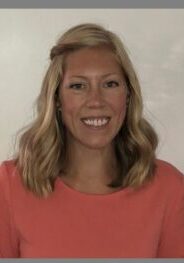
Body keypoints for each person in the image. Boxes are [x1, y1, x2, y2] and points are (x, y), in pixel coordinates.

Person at [0, 23, 184, 258]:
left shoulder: (169, 189)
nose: (96, 101)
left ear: (128, 95)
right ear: (56, 99)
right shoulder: (10, 187)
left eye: (110, 84)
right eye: (78, 86)